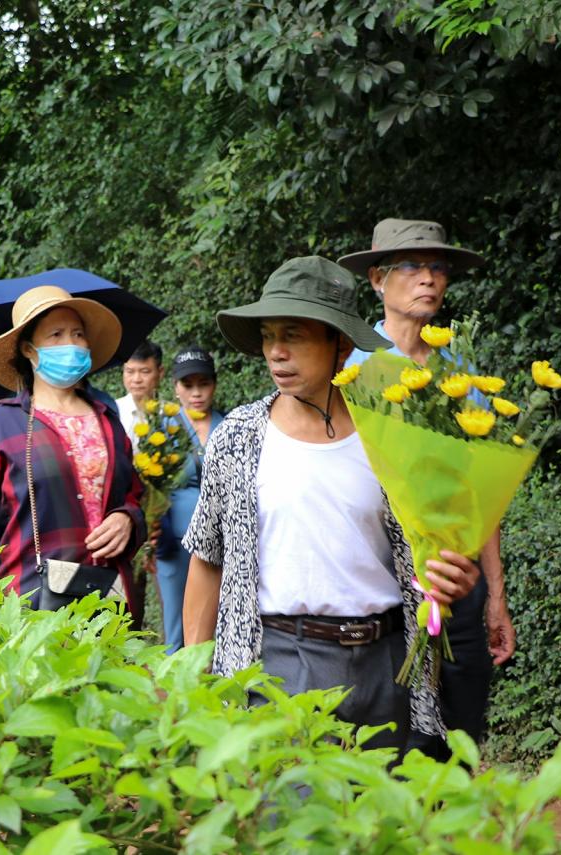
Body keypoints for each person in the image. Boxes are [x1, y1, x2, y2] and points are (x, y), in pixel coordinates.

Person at [182, 256, 481, 752]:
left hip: (388, 663)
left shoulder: (392, 434)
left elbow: (437, 545)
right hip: (278, 662)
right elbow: (207, 558)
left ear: (340, 343)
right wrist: (197, 674)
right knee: (291, 822)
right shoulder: (237, 437)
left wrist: (454, 574)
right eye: (267, 336)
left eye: (294, 334)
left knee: (381, 823)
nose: (276, 352)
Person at [338, 217, 512, 759]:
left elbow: (481, 489)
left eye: (438, 268)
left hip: (457, 582)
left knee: (461, 739)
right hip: (381, 589)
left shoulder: (459, 370)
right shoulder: (351, 370)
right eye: (411, 266)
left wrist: (495, 595)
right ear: (376, 280)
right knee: (399, 742)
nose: (428, 279)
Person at [0, 285, 146, 619]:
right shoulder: (5, 423)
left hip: (109, 597)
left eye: (78, 334)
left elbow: (135, 495)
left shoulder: (108, 420)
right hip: (32, 599)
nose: (72, 343)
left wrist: (128, 519)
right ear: (29, 350)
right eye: (56, 334)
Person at [155, 346, 224, 653]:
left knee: (218, 615)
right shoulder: (162, 430)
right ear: (176, 388)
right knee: (175, 620)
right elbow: (151, 486)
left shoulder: (231, 425)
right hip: (175, 539)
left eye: (203, 383)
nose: (196, 393)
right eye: (188, 385)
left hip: (222, 539)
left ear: (214, 384)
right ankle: (173, 690)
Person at [114, 340, 163, 451]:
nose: (136, 379)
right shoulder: (113, 411)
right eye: (130, 371)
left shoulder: (172, 415)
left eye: (145, 371)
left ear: (160, 372)